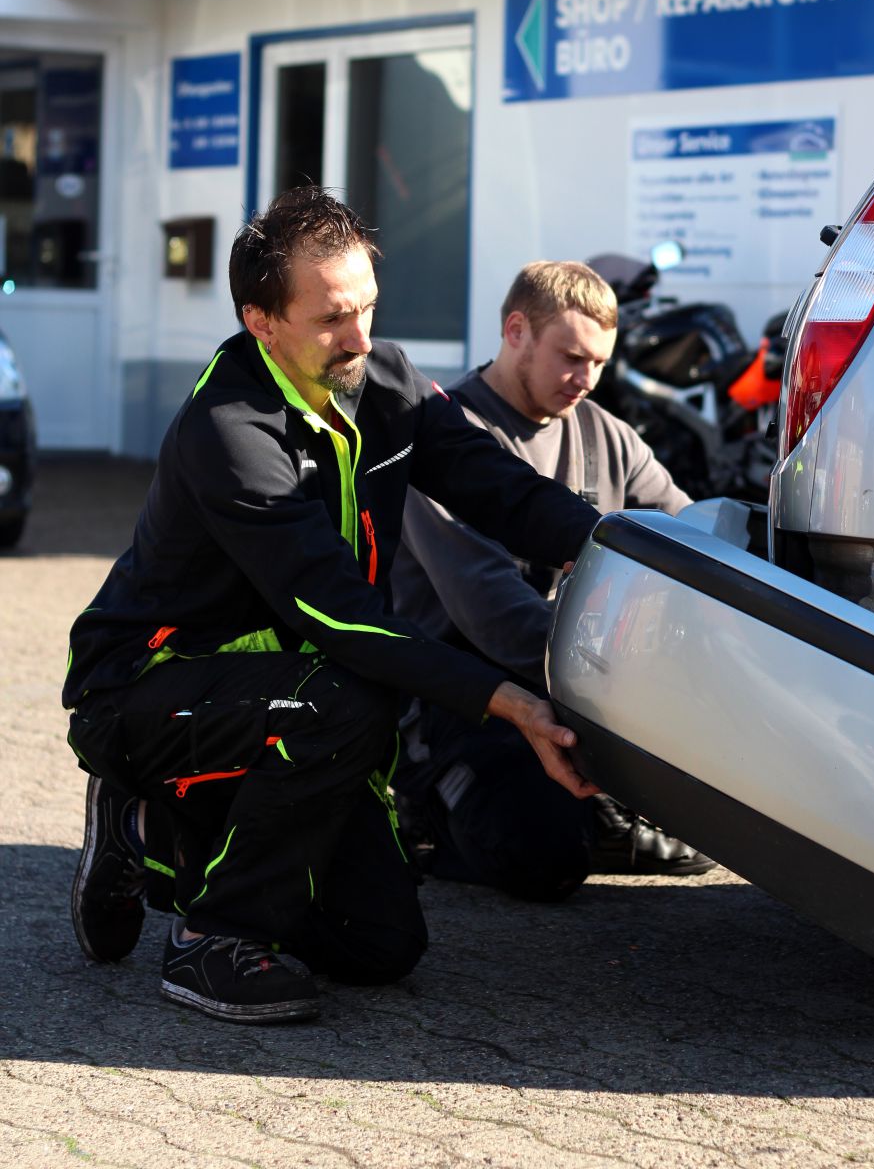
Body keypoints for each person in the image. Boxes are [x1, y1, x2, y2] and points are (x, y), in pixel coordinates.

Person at [63, 187, 601, 1027]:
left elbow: (499, 486)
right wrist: (510, 703)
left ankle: (146, 836)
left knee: (378, 946)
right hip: (146, 694)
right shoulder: (228, 429)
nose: (360, 339)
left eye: (368, 309)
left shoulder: (382, 379)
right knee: (345, 700)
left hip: (287, 697)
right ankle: (213, 938)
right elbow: (344, 618)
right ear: (261, 322)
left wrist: (614, 548)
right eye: (332, 320)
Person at [391, 259, 713, 903]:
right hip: (470, 698)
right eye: (571, 357)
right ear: (516, 331)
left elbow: (691, 545)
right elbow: (496, 617)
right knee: (542, 856)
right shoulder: (446, 442)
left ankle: (592, 816)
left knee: (700, 843)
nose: (586, 379)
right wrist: (626, 681)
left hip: (582, 687)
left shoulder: (608, 437)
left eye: (599, 363)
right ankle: (426, 816)